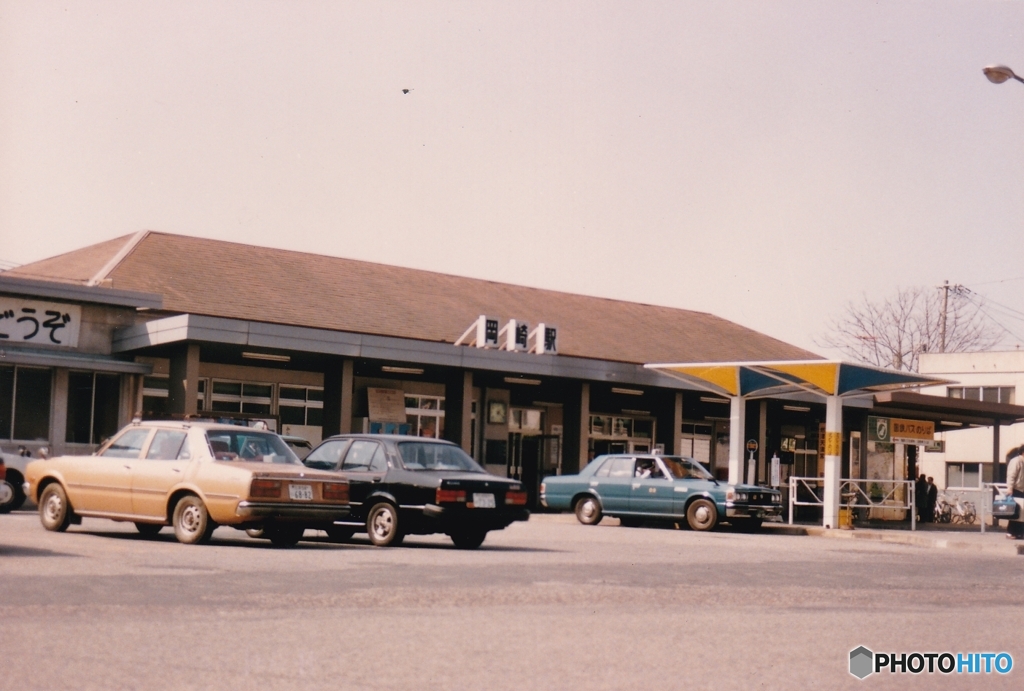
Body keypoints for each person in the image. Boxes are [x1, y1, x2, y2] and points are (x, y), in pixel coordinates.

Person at [1006, 445, 1024, 540]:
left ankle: (1019, 533)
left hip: (1022, 490)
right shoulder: (1016, 461)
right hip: (1016, 489)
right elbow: (1011, 475)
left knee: (1022, 513)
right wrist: (1010, 488)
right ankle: (1010, 532)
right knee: (1014, 511)